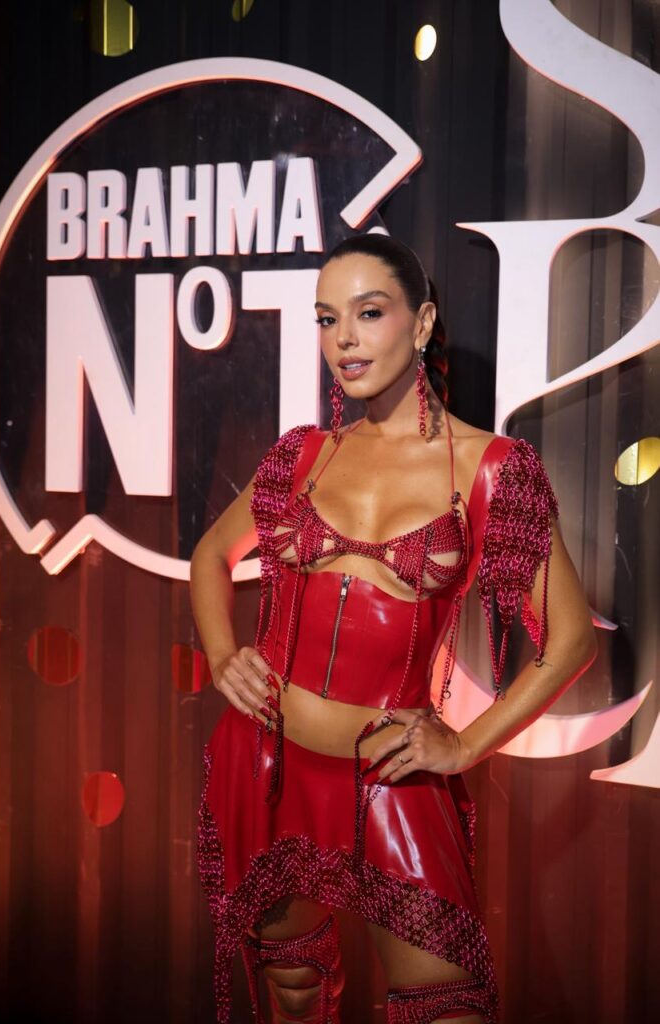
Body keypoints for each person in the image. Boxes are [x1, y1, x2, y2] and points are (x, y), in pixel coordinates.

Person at [190, 233, 597, 1024]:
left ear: (422, 323)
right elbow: (211, 554)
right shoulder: (301, 455)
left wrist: (465, 745)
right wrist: (220, 653)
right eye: (326, 318)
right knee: (292, 987)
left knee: (448, 1007)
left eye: (368, 313)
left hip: (392, 777)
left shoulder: (493, 468)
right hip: (268, 760)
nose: (343, 338)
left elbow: (570, 641)